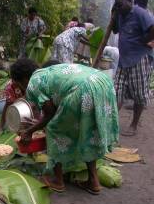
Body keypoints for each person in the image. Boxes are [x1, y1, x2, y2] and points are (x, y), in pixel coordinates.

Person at [16, 59, 119, 194]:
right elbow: (55, 106)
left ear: (23, 79)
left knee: (54, 129)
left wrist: (29, 131)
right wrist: (38, 124)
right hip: (103, 82)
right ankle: (93, 182)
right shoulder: (49, 71)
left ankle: (58, 181)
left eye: (18, 84)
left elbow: (50, 114)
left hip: (84, 89)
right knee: (89, 130)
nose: (21, 88)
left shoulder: (32, 83)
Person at [113, 0, 154, 136]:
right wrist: (114, 13)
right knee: (116, 92)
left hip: (139, 59)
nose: (119, 6)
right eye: (117, 4)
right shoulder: (119, 13)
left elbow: (152, 29)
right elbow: (114, 30)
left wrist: (144, 41)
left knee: (139, 94)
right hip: (123, 60)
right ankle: (110, 123)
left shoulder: (140, 13)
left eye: (121, 4)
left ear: (130, 2)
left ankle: (134, 125)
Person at [0, 59, 40, 131]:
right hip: (23, 110)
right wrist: (1, 125)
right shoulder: (11, 87)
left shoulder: (38, 81)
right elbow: (8, 104)